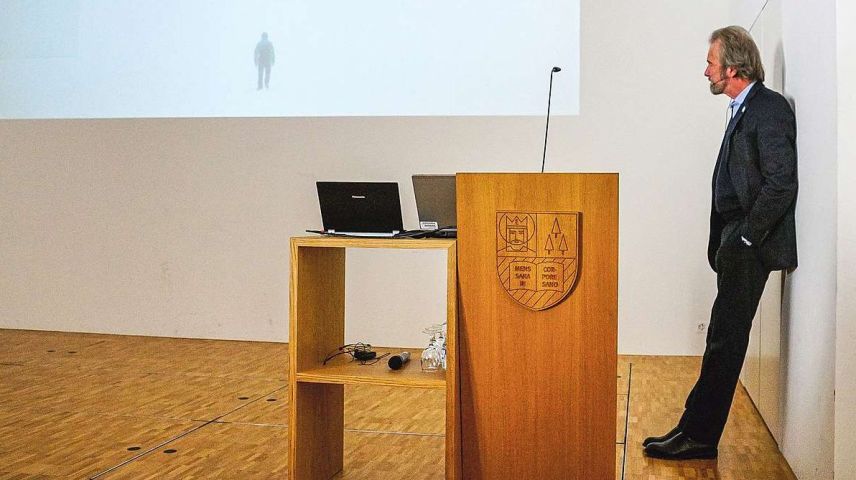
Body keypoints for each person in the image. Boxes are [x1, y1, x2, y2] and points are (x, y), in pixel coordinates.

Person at [643, 26, 798, 460]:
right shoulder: (742, 108)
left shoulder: (768, 109)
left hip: (752, 244)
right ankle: (692, 429)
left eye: (711, 62)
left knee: (726, 342)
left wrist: (747, 237)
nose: (705, 70)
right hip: (738, 241)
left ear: (732, 67)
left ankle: (699, 437)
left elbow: (781, 183)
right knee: (719, 340)